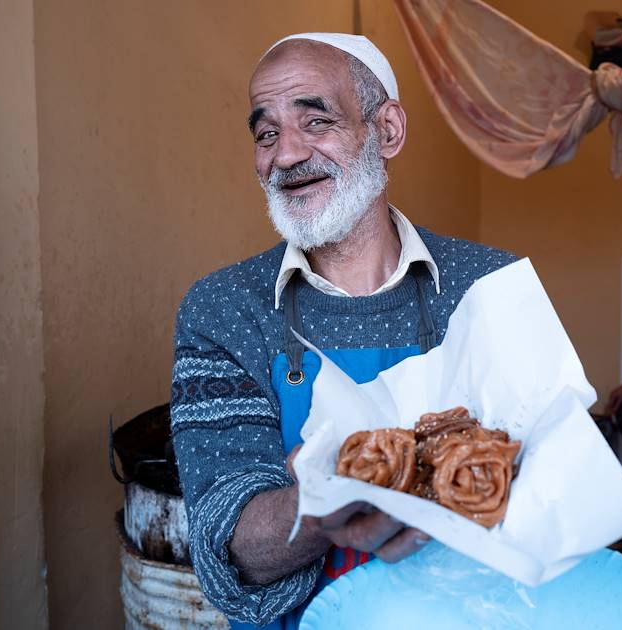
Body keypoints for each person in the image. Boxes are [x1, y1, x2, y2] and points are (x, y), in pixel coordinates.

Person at [169, 33, 515, 629]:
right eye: (266, 132)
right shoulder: (224, 308)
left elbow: (548, 473)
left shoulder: (490, 286)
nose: (284, 155)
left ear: (387, 131)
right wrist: (324, 499)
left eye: (315, 120)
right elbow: (228, 540)